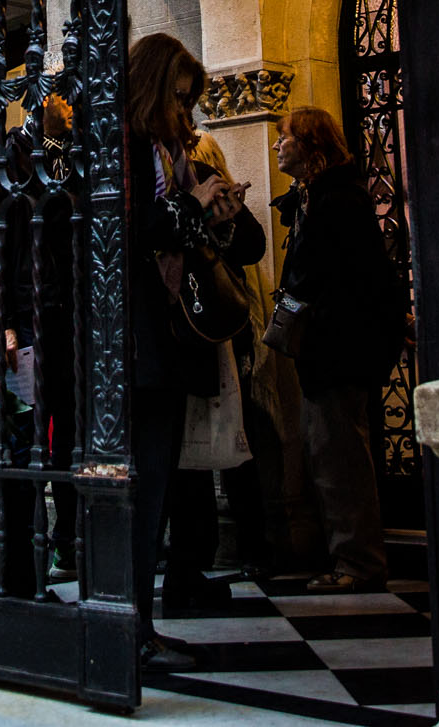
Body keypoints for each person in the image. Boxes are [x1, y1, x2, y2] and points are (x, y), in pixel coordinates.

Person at [125, 34, 263, 666]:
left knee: (163, 483)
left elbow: (248, 247)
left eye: (192, 100)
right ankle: (129, 627)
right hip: (137, 343)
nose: (188, 113)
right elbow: (128, 231)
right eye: (179, 98)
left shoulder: (183, 158)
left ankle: (143, 626)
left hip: (183, 340)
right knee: (142, 486)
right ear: (154, 89)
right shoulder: (125, 149)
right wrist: (189, 205)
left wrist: (222, 211)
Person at [273, 106, 401, 596]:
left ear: (311, 147)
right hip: (331, 349)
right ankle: (350, 555)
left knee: (340, 456)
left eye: (285, 138)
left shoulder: (337, 202)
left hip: (338, 349)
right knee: (330, 453)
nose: (278, 146)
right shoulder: (321, 199)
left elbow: (339, 279)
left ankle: (358, 562)